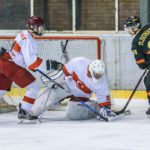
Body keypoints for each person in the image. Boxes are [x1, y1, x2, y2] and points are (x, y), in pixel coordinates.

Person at [31, 57, 117, 120]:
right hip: (67, 86)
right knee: (50, 96)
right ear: (91, 69)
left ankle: (98, 108)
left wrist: (105, 107)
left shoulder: (101, 80)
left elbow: (103, 95)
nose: (98, 76)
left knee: (75, 116)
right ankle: (29, 110)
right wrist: (56, 81)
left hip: (81, 95)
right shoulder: (79, 62)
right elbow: (64, 71)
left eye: (99, 75)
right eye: (96, 74)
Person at [0, 16, 48, 121]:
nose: (41, 29)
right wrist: (48, 65)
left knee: (1, 90)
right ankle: (24, 111)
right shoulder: (29, 40)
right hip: (12, 65)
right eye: (39, 27)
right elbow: (31, 62)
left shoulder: (23, 34)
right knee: (34, 87)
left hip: (3, 62)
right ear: (33, 27)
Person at [124, 16, 150, 115]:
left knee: (148, 83)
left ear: (135, 28)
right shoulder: (148, 27)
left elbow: (141, 62)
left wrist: (145, 65)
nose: (128, 31)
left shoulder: (135, 42)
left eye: (129, 28)